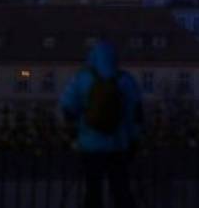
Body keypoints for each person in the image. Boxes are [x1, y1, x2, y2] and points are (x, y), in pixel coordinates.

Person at [60, 40, 144, 208]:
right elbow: (136, 114)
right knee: (121, 189)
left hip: (90, 145)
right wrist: (134, 140)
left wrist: (74, 134)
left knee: (93, 190)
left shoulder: (82, 78)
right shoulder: (125, 80)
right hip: (118, 144)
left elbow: (67, 107)